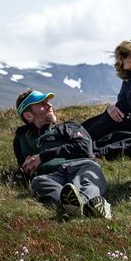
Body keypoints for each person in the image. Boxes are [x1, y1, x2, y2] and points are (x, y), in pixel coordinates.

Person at [13, 89, 111, 219]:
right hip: (50, 176)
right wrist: (26, 171)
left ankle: (78, 205)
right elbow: (24, 167)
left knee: (90, 175)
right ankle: (90, 207)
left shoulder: (67, 127)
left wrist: (43, 156)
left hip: (80, 166)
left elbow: (85, 148)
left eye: (48, 102)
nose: (50, 105)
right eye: (42, 104)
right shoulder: (21, 139)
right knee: (37, 182)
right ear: (28, 115)